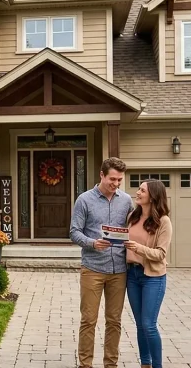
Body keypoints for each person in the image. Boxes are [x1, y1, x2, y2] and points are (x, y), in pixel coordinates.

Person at [69, 157, 131, 368]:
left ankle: (111, 364)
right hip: (93, 268)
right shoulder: (84, 200)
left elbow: (135, 227)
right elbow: (74, 232)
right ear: (102, 175)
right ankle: (85, 364)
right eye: (112, 179)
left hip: (119, 270)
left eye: (119, 180)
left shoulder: (126, 200)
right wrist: (93, 243)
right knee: (89, 320)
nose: (116, 184)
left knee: (114, 320)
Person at [123, 179, 173, 368]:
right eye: (139, 189)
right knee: (139, 324)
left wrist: (138, 248)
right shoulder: (132, 217)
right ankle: (145, 364)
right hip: (132, 275)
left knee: (148, 324)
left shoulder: (163, 221)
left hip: (153, 277)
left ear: (152, 196)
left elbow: (161, 254)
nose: (137, 192)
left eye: (142, 190)